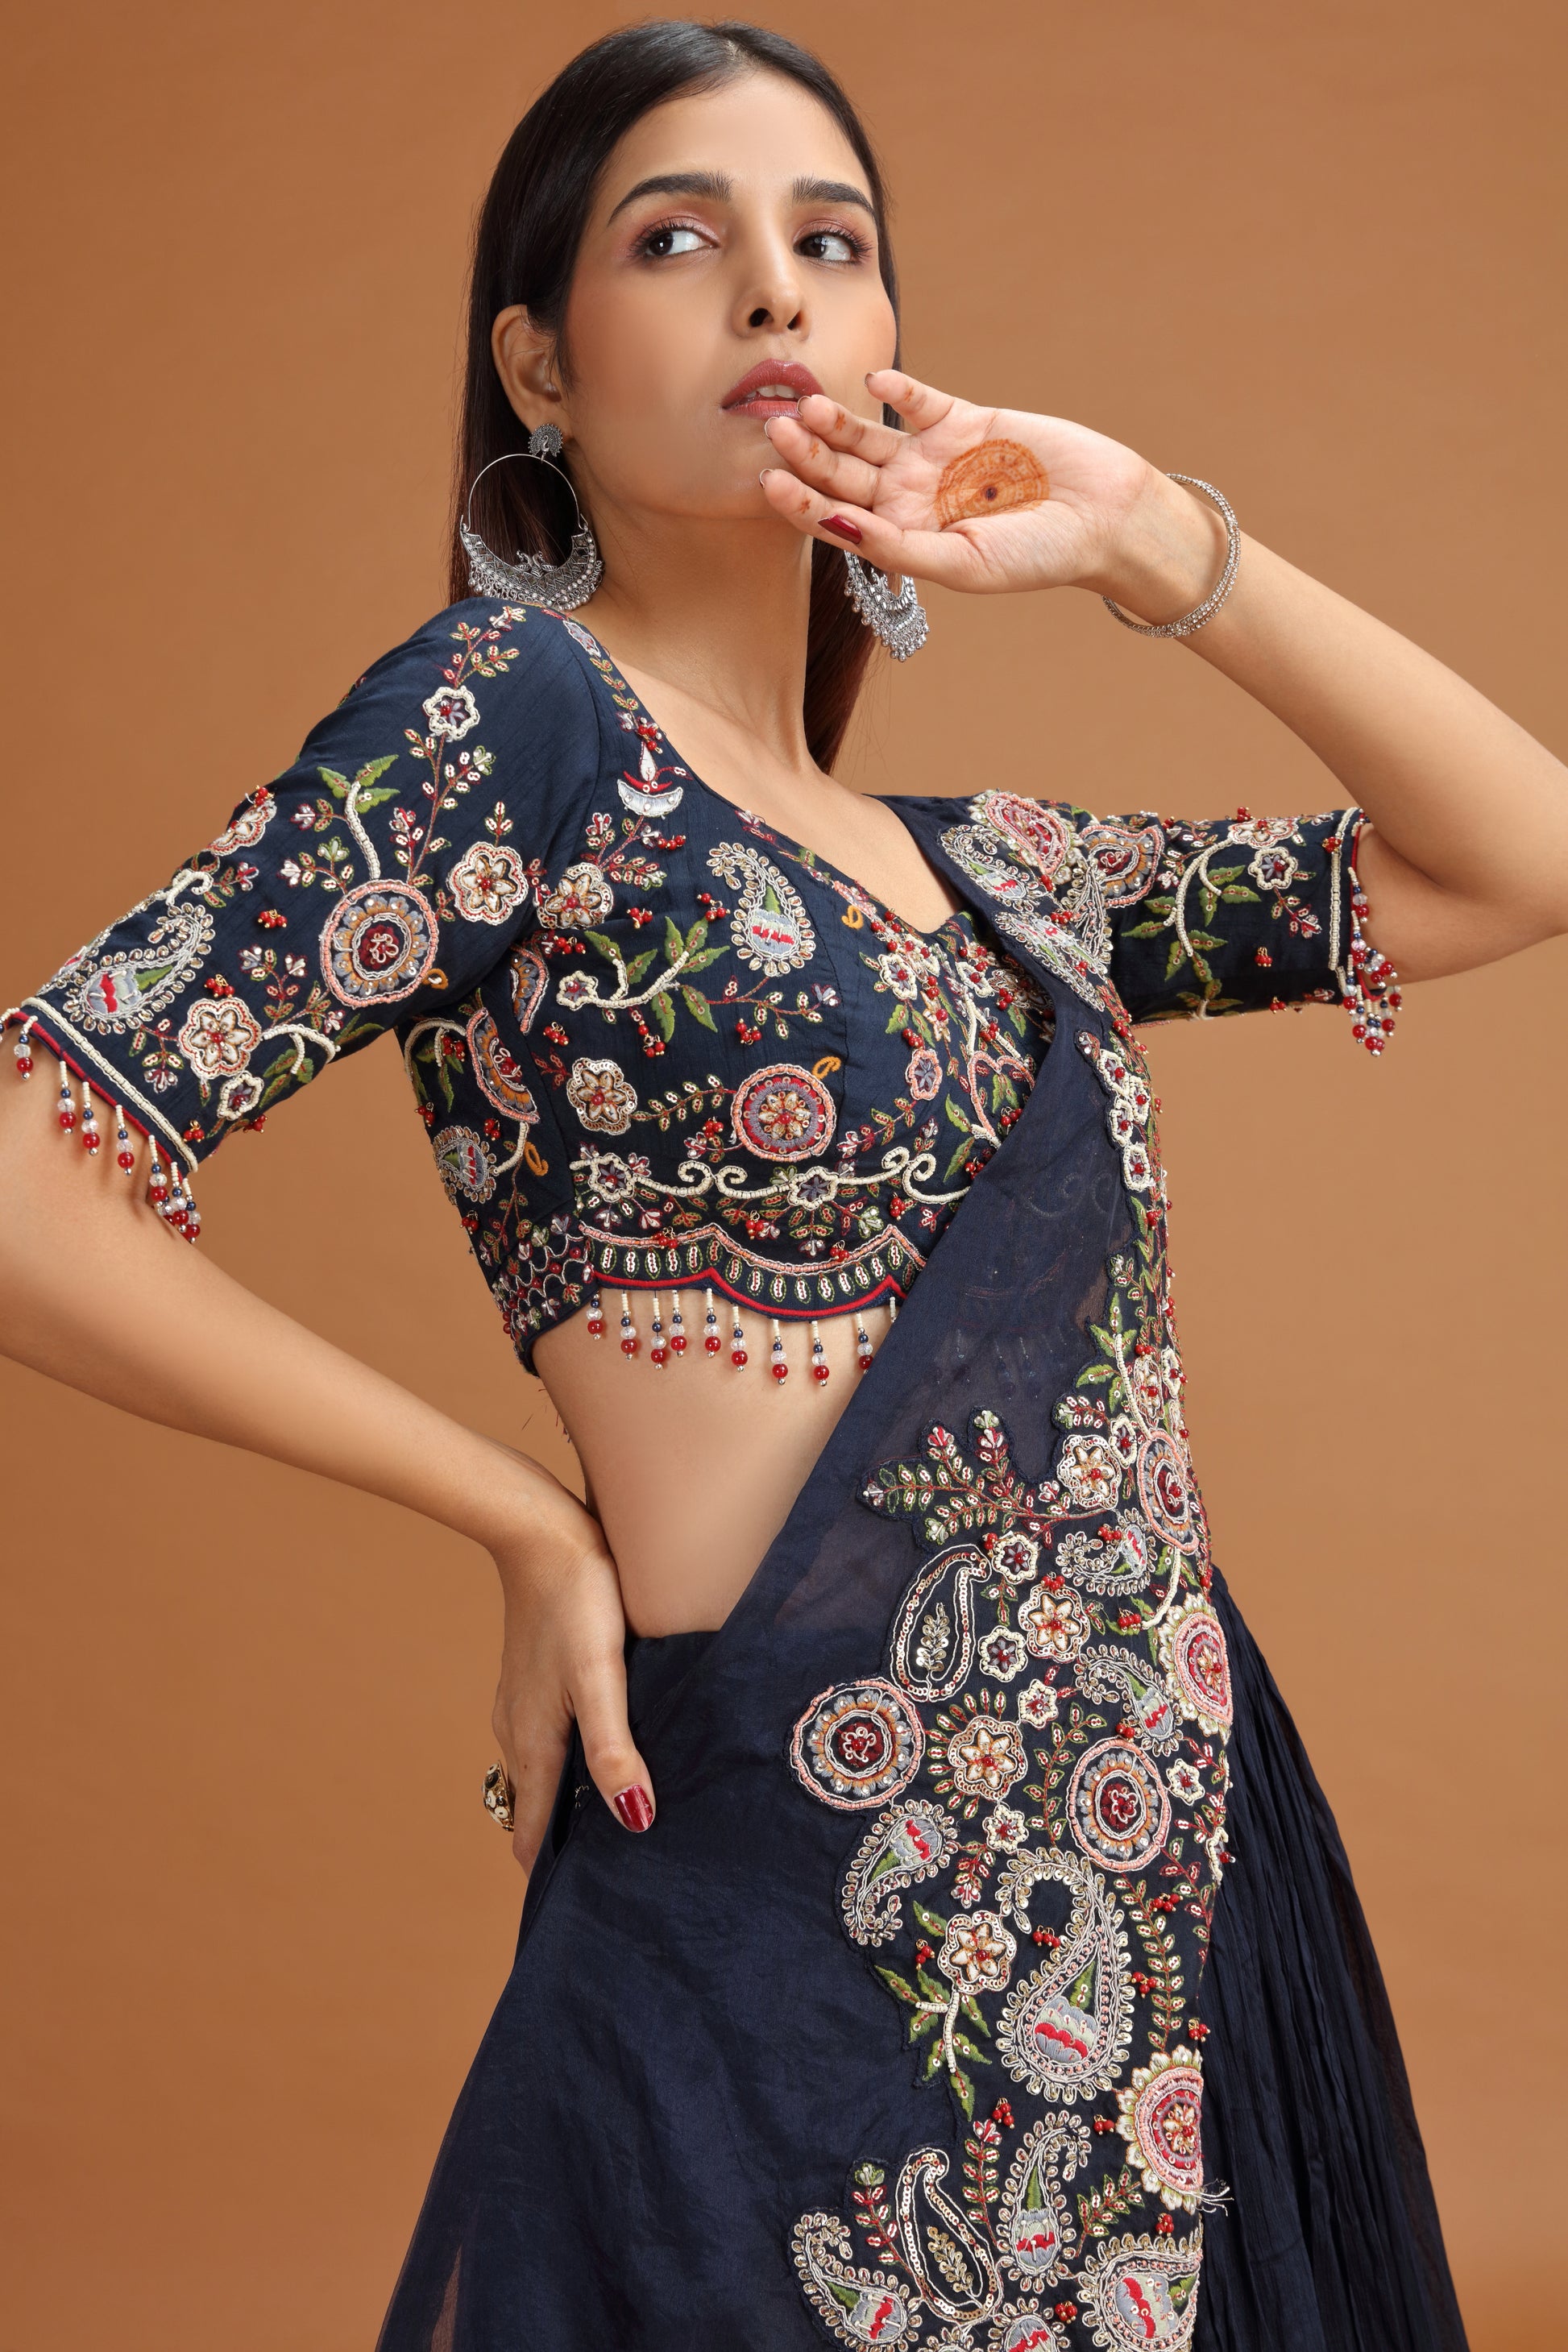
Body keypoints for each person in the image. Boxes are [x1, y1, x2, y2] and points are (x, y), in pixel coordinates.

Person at [2, 19, 1561, 2350]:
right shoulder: (505, 728)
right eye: (678, 238)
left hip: (1156, 1922)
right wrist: (524, 1522)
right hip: (782, 1910)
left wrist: (1144, 533)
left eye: (827, 245)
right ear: (537, 360)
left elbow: (1513, 851)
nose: (772, 295)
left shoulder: (1015, 880)